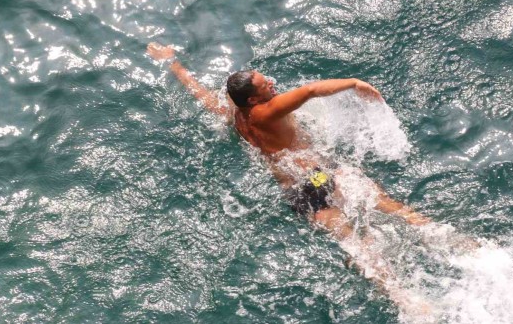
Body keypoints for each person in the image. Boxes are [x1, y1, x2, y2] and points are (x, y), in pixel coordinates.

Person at [146, 42, 431, 236]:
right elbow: (310, 91)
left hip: (295, 191)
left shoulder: (232, 114)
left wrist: (173, 63)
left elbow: (199, 92)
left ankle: (403, 299)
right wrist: (355, 83)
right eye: (264, 84)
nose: (270, 82)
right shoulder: (267, 111)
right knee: (393, 208)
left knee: (357, 247)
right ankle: (443, 237)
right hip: (317, 174)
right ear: (253, 99)